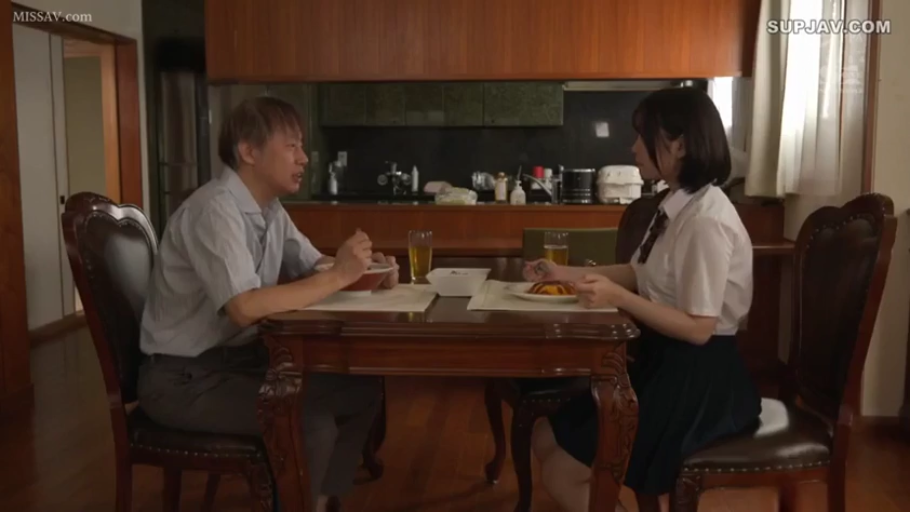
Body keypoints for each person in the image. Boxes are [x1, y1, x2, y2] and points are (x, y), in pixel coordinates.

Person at [137, 96, 393, 512]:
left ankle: (321, 501)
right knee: (309, 424)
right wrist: (340, 275)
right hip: (182, 380)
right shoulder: (213, 210)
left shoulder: (270, 210)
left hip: (240, 364)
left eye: (301, 145)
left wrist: (370, 270)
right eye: (291, 145)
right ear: (249, 151)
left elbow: (316, 265)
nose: (304, 157)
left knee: (362, 390)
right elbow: (244, 308)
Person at [524, 87, 762, 512]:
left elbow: (699, 328)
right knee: (545, 437)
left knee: (561, 472)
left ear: (680, 145)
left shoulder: (706, 220)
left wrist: (619, 297)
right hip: (663, 364)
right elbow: (639, 272)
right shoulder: (676, 204)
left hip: (699, 382)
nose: (633, 147)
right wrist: (565, 273)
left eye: (642, 135)